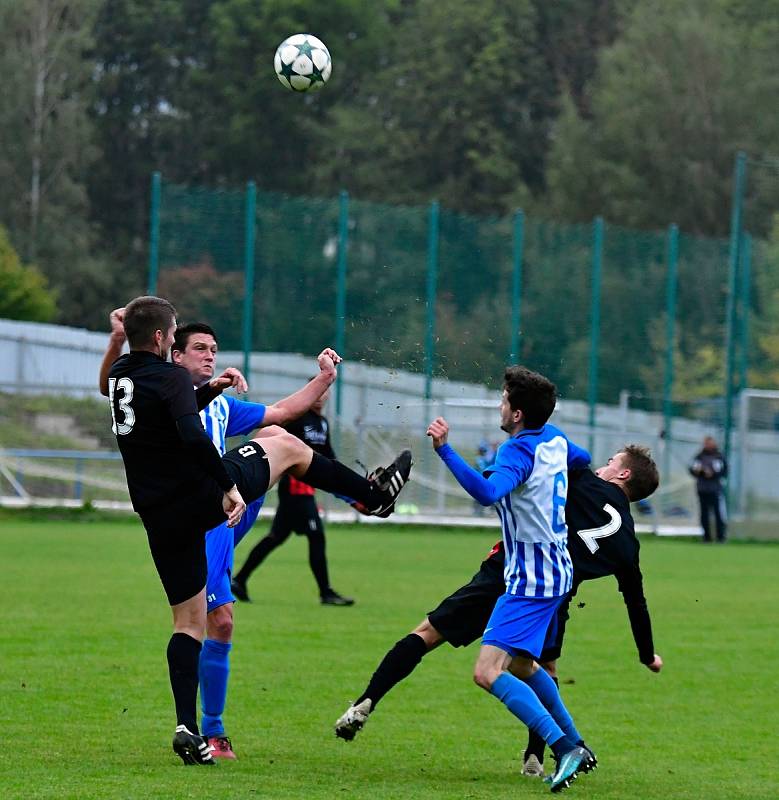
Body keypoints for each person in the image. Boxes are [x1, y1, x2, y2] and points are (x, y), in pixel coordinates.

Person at [102, 295, 413, 765]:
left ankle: (188, 728)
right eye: (183, 334)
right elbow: (189, 433)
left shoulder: (123, 377)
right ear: (165, 340)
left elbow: (151, 402)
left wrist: (204, 388)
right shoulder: (169, 378)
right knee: (284, 446)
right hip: (199, 499)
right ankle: (372, 496)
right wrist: (227, 486)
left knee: (187, 625)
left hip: (158, 517)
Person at [335, 443, 663, 784]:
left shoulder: (583, 481)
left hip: (511, 569)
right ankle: (541, 755)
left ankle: (365, 702)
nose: (602, 466)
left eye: (611, 463)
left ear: (623, 473)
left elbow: (545, 458)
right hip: (555, 594)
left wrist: (463, 453)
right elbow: (635, 601)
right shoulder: (628, 542)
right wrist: (646, 654)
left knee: (435, 638)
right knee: (534, 666)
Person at [430, 365, 594, 793]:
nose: (500, 407)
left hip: (530, 580)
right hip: (559, 571)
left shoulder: (516, 452)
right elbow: (584, 461)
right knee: (523, 664)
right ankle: (577, 742)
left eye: (504, 400)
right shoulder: (556, 439)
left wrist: (446, 451)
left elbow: (487, 494)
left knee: (487, 672)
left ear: (518, 414)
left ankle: (563, 748)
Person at [231, 383, 356, 607]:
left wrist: (349, 488)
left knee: (275, 538)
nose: (319, 397)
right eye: (317, 391)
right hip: (294, 490)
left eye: (324, 392)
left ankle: (239, 580)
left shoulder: (323, 423)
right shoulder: (299, 419)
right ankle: (326, 592)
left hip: (306, 490)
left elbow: (329, 459)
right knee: (316, 537)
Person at [689, 436, 728, 542]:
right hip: (702, 490)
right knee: (704, 515)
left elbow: (723, 471)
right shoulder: (699, 457)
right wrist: (700, 472)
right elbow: (692, 469)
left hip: (715, 490)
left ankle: (721, 537)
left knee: (718, 514)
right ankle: (706, 537)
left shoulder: (719, 456)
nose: (707, 445)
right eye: (706, 443)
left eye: (709, 443)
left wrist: (712, 474)